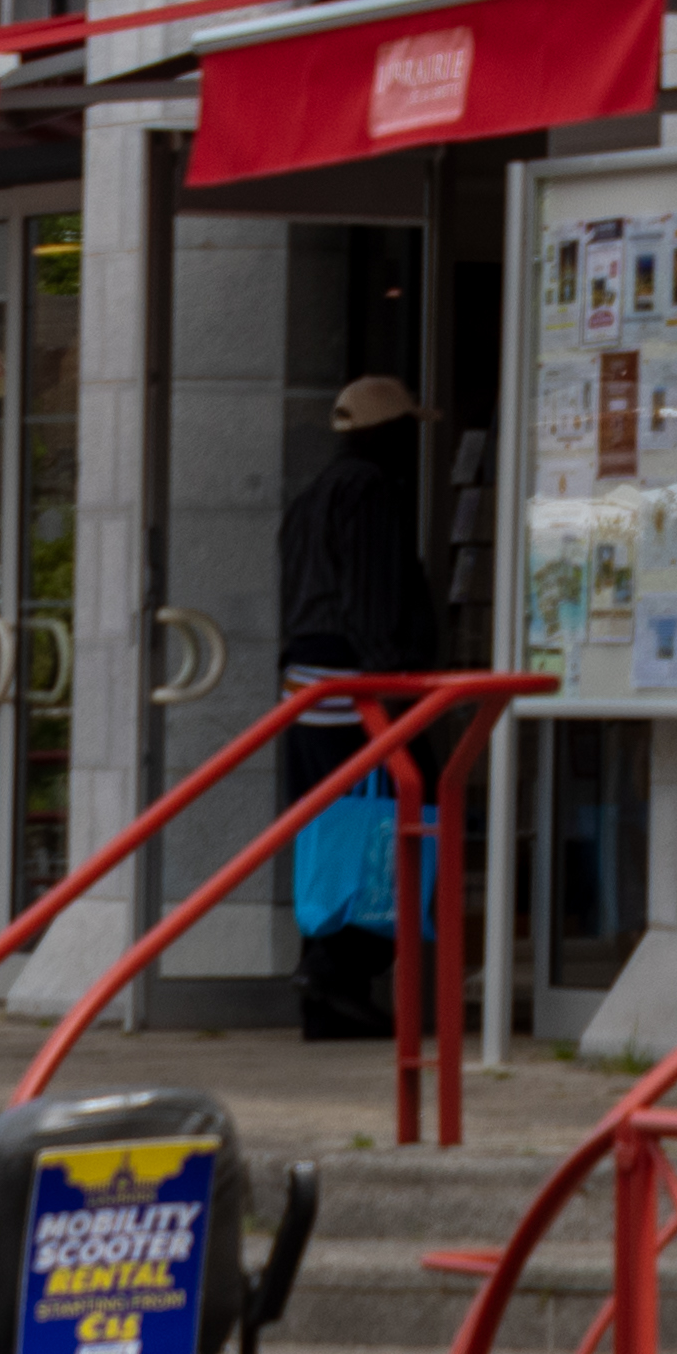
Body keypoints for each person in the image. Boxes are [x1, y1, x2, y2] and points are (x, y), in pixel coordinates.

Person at [277, 374, 425, 1041]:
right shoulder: (368, 491)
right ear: (386, 432)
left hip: (307, 680)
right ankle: (338, 967)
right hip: (352, 681)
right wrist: (391, 671)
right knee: (378, 823)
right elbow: (369, 592)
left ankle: (325, 977)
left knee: (329, 824)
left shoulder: (310, 495)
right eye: (407, 429)